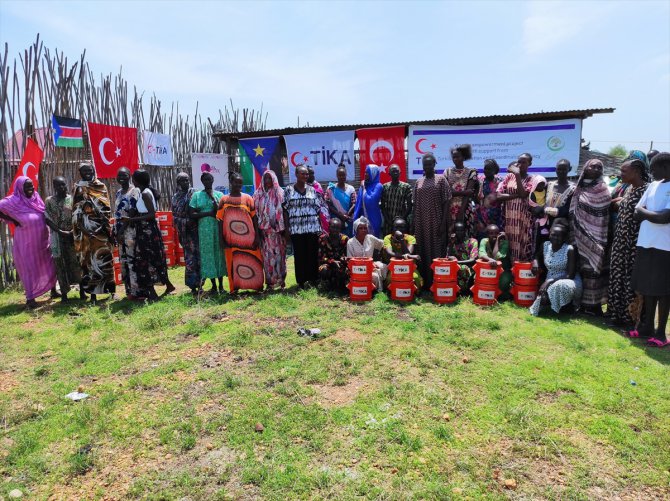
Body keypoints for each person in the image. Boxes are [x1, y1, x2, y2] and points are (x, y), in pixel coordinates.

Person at [631, 152, 670, 347]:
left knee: (663, 291)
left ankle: (661, 333)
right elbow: (636, 211)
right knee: (647, 287)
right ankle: (647, 327)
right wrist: (652, 214)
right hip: (645, 242)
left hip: (665, 246)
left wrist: (647, 214)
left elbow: (665, 218)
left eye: (654, 170)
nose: (651, 173)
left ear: (666, 167)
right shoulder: (652, 185)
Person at [0, 176, 57, 308]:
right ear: (20, 188)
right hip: (26, 243)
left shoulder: (36, 198)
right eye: (27, 186)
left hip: (43, 240)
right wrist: (12, 219)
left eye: (31, 185)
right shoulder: (13, 201)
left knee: (49, 264)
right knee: (28, 268)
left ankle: (53, 290)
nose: (31, 188)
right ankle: (30, 298)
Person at [120, 170, 175, 301]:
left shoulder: (145, 193)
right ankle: (168, 286)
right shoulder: (144, 192)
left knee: (144, 260)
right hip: (146, 230)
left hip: (147, 231)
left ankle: (152, 293)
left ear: (136, 180)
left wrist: (131, 219)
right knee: (154, 259)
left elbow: (151, 214)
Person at [607, 158, 649, 327]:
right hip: (620, 242)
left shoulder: (646, 190)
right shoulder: (630, 189)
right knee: (617, 278)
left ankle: (631, 318)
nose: (620, 174)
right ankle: (616, 315)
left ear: (636, 172)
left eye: (624, 171)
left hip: (634, 243)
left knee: (631, 280)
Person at [570, 159, 610, 316]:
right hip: (578, 236)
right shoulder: (578, 187)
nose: (596, 169)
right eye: (593, 166)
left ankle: (594, 306)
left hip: (596, 236)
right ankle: (579, 304)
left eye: (599, 167)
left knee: (594, 271)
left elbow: (603, 208)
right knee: (580, 269)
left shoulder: (602, 188)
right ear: (586, 168)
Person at [72, 162, 116, 302]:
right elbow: (75, 212)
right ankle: (93, 295)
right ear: (80, 173)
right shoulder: (78, 188)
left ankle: (111, 291)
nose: (88, 173)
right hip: (86, 231)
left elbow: (106, 209)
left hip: (101, 230)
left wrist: (106, 229)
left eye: (90, 170)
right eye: (85, 171)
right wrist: (84, 230)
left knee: (105, 259)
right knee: (89, 262)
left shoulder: (101, 186)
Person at [283, 164, 328, 289]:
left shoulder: (312, 190)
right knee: (299, 255)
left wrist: (320, 228)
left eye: (307, 174)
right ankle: (301, 281)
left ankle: (313, 279)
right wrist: (286, 229)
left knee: (312, 254)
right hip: (296, 228)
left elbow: (318, 209)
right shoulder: (288, 190)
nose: (305, 176)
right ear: (296, 174)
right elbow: (285, 210)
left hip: (312, 228)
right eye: (302, 173)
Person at [217, 172, 264, 293]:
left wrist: (257, 236)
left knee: (253, 260)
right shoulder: (224, 200)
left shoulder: (248, 198)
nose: (238, 185)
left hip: (248, 238)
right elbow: (220, 220)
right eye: (236, 182)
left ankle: (257, 286)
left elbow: (254, 218)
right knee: (232, 263)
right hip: (230, 239)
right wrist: (221, 239)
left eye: (240, 183)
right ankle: (234, 289)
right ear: (231, 182)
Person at [412, 153, 451, 287]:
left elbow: (446, 202)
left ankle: (438, 281)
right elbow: (415, 204)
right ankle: (425, 282)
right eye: (425, 165)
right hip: (421, 222)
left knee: (436, 249)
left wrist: (443, 223)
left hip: (436, 220)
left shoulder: (441, 180)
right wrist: (414, 223)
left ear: (434, 164)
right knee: (422, 248)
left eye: (429, 164)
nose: (427, 167)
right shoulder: (419, 182)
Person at [529, 223, 581, 316]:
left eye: (559, 236)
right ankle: (560, 306)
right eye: (553, 235)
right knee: (543, 299)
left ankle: (568, 306)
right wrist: (535, 263)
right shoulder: (545, 245)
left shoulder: (569, 249)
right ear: (549, 235)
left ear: (564, 238)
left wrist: (549, 281)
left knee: (560, 285)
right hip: (550, 279)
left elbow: (570, 275)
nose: (555, 238)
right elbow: (537, 255)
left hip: (567, 281)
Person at [44, 176, 83, 301]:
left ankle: (82, 292)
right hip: (57, 237)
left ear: (66, 185)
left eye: (63, 184)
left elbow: (78, 217)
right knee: (60, 264)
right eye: (58, 185)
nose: (61, 187)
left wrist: (72, 231)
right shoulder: (49, 201)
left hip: (72, 236)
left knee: (76, 262)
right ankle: (64, 295)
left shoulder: (72, 200)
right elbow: (47, 219)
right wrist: (60, 231)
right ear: (54, 187)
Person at [496, 153, 538, 262]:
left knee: (523, 242)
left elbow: (523, 194)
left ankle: (520, 268)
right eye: (519, 162)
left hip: (523, 217)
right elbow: (499, 195)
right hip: (509, 217)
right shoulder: (509, 177)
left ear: (530, 164)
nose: (520, 164)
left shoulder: (532, 179)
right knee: (508, 242)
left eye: (524, 162)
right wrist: (517, 195)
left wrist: (518, 175)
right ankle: (508, 267)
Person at [189, 172, 226, 294]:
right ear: (202, 181)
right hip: (204, 230)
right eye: (205, 180)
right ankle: (214, 286)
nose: (207, 181)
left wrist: (213, 199)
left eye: (209, 179)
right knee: (208, 256)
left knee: (219, 254)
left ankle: (221, 286)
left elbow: (221, 212)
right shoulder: (197, 196)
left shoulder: (219, 195)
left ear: (213, 180)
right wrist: (207, 213)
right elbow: (191, 213)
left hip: (217, 228)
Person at [253, 169, 287, 290]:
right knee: (267, 258)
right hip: (264, 233)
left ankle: (281, 281)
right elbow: (255, 214)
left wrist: (283, 230)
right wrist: (258, 232)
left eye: (270, 178)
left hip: (278, 232)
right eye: (265, 178)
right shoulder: (258, 194)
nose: (267, 180)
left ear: (274, 179)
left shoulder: (280, 193)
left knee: (280, 256)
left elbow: (284, 211)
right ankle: (270, 283)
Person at [172, 172, 202, 294]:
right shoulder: (175, 197)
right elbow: (174, 217)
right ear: (178, 183)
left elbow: (200, 209)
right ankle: (192, 285)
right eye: (183, 181)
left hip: (196, 231)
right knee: (189, 259)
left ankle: (201, 284)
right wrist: (185, 222)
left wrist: (193, 220)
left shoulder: (195, 193)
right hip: (185, 233)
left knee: (199, 258)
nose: (186, 182)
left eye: (187, 180)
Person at [113, 167, 141, 298]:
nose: (121, 178)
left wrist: (121, 230)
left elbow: (132, 212)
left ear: (129, 176)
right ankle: (128, 290)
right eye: (119, 176)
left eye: (124, 175)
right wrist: (116, 231)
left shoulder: (134, 191)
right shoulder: (118, 192)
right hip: (120, 230)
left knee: (132, 259)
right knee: (123, 261)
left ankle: (136, 290)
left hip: (130, 230)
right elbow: (117, 213)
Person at [539, 160, 576, 246]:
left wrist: (544, 209)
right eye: (559, 169)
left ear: (569, 169)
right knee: (543, 246)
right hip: (544, 223)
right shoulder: (548, 185)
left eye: (564, 169)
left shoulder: (573, 189)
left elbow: (567, 209)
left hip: (560, 226)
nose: (561, 172)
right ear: (555, 169)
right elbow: (540, 200)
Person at [347, 216, 387, 291]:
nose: (363, 230)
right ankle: (373, 289)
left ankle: (384, 285)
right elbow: (350, 260)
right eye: (361, 228)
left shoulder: (370, 238)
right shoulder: (350, 242)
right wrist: (370, 266)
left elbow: (383, 244)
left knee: (384, 266)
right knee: (374, 276)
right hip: (357, 268)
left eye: (365, 228)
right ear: (356, 230)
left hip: (371, 265)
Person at [446, 144, 478, 234]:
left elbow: (468, 195)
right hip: (450, 207)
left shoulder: (471, 172)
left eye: (458, 157)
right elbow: (448, 192)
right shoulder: (447, 172)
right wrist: (465, 192)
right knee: (451, 234)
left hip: (465, 207)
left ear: (463, 157)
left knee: (465, 234)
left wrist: (461, 212)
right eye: (454, 157)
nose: (455, 159)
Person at [383, 217, 422, 289]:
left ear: (406, 228)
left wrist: (401, 239)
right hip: (394, 266)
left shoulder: (410, 238)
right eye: (396, 227)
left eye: (402, 227)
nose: (399, 230)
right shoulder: (388, 238)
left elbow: (408, 253)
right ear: (392, 228)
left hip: (409, 266)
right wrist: (406, 256)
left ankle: (413, 292)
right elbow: (390, 252)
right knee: (390, 279)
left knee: (416, 278)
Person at [478, 224, 513, 296]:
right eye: (491, 233)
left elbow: (496, 257)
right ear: (487, 235)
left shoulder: (504, 243)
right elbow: (481, 254)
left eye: (496, 233)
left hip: (503, 270)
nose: (494, 235)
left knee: (502, 284)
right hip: (490, 269)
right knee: (477, 279)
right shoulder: (484, 241)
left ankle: (503, 294)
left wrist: (497, 241)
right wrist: (489, 259)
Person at [380, 164, 412, 237]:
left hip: (402, 222)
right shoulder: (385, 187)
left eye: (397, 171)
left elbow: (409, 206)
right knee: (388, 240)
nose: (395, 173)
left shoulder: (406, 187)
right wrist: (388, 220)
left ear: (400, 173)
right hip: (388, 221)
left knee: (402, 240)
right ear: (389, 174)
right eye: (393, 171)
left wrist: (401, 219)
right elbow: (382, 206)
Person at [475, 159, 504, 239]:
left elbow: (502, 197)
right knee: (482, 239)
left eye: (489, 169)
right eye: (485, 168)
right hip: (482, 217)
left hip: (497, 216)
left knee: (496, 239)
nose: (486, 171)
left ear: (495, 170)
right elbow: (475, 198)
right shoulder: (480, 180)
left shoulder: (500, 181)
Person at [325, 164, 357, 237]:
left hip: (348, 219)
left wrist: (346, 216)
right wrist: (340, 215)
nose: (342, 177)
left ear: (346, 175)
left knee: (348, 239)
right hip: (335, 220)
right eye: (340, 175)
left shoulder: (351, 188)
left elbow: (354, 203)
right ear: (337, 176)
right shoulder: (331, 189)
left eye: (343, 175)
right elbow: (328, 204)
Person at [318, 217, 349, 291]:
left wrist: (344, 258)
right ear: (329, 227)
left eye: (337, 228)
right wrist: (332, 261)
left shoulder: (345, 239)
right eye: (333, 227)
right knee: (324, 270)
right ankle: (326, 285)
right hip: (327, 264)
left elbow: (348, 255)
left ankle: (340, 286)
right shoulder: (323, 239)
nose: (335, 230)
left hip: (341, 264)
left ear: (340, 229)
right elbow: (321, 258)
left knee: (344, 271)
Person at [446, 221, 479, 293]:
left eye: (461, 230)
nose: (459, 233)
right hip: (456, 266)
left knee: (463, 268)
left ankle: (464, 290)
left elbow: (473, 259)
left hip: (469, 266)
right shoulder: (452, 243)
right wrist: (451, 244)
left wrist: (457, 262)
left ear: (465, 231)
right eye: (457, 231)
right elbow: (448, 257)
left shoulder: (472, 242)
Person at [353, 164, 384, 238]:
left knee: (373, 240)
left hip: (374, 218)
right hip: (362, 217)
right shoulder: (364, 185)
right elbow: (359, 203)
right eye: (365, 172)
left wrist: (364, 187)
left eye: (368, 172)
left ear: (373, 174)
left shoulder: (378, 186)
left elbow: (370, 201)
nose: (365, 174)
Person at [307, 165, 329, 232]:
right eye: (310, 174)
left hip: (322, 212)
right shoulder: (304, 187)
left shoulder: (317, 185)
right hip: (311, 214)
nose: (312, 175)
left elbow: (322, 198)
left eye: (313, 173)